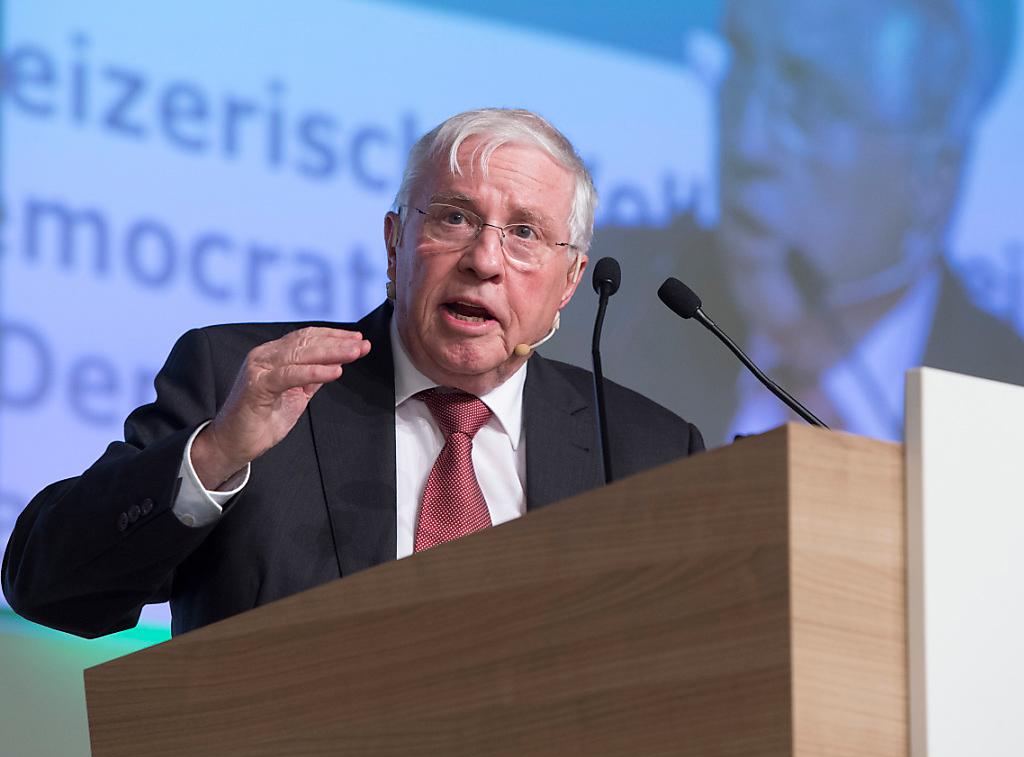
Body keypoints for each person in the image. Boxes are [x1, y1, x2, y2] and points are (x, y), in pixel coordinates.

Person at [2, 109, 704, 638]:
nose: (485, 260)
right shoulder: (245, 382)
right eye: (455, 218)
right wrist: (215, 454)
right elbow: (48, 587)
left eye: (524, 233)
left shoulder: (648, 451)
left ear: (570, 281)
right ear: (395, 245)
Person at [554, 0, 1024, 444]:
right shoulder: (596, 314)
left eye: (811, 101)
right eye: (741, 65)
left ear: (932, 175)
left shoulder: (1006, 392)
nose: (747, 144)